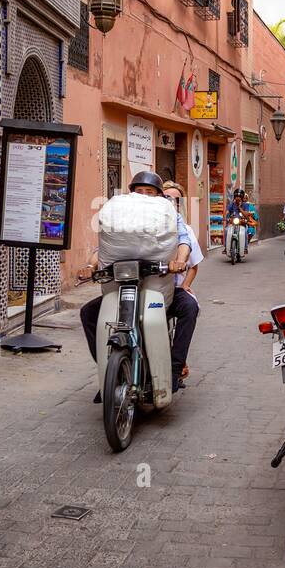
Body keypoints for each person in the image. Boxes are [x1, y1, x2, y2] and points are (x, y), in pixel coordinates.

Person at [78, 171, 192, 399]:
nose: (144, 196)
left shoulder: (170, 215)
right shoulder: (122, 217)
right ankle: (109, 370)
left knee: (189, 308)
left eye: (149, 192)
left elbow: (183, 240)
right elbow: (104, 250)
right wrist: (90, 267)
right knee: (88, 313)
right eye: (139, 191)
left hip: (161, 286)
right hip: (123, 285)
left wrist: (179, 261)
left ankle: (174, 368)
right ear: (131, 194)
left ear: (160, 196)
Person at [162, 181, 202, 385]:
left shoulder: (183, 228)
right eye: (165, 197)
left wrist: (184, 284)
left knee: (190, 307)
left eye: (174, 199)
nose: (169, 202)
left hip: (172, 289)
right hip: (142, 287)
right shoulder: (143, 224)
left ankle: (176, 368)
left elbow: (193, 265)